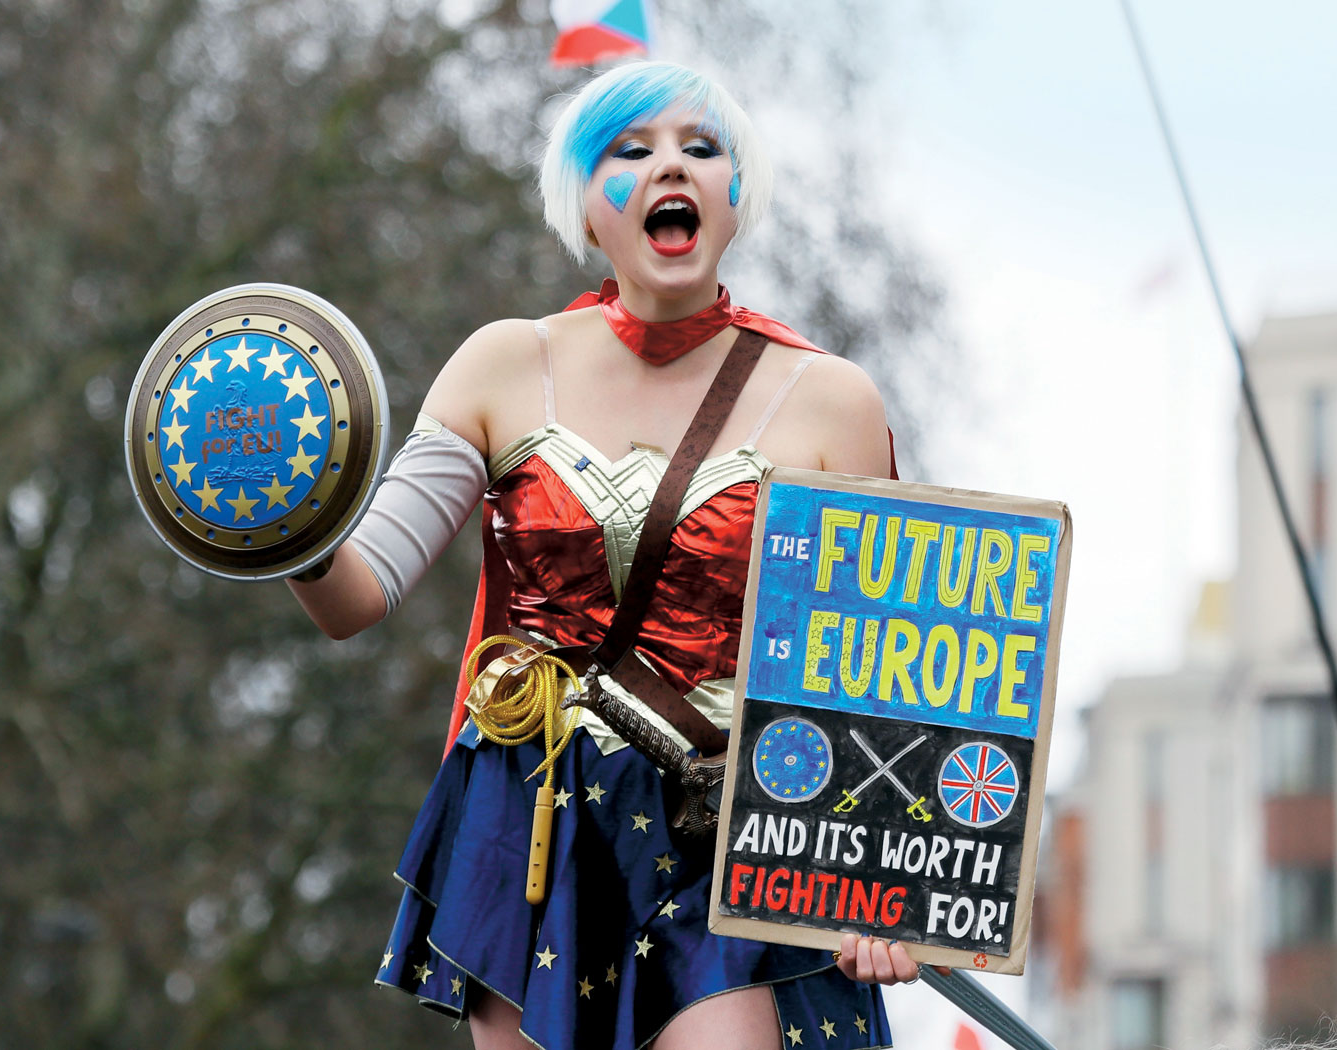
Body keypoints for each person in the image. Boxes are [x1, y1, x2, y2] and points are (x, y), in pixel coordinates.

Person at [288, 60, 920, 1050]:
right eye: (631, 150)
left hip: (732, 833)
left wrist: (882, 886)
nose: (671, 165)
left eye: (701, 148)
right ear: (584, 206)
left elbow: (882, 674)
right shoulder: (503, 365)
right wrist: (289, 525)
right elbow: (356, 592)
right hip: (535, 823)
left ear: (735, 196)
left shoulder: (831, 400)